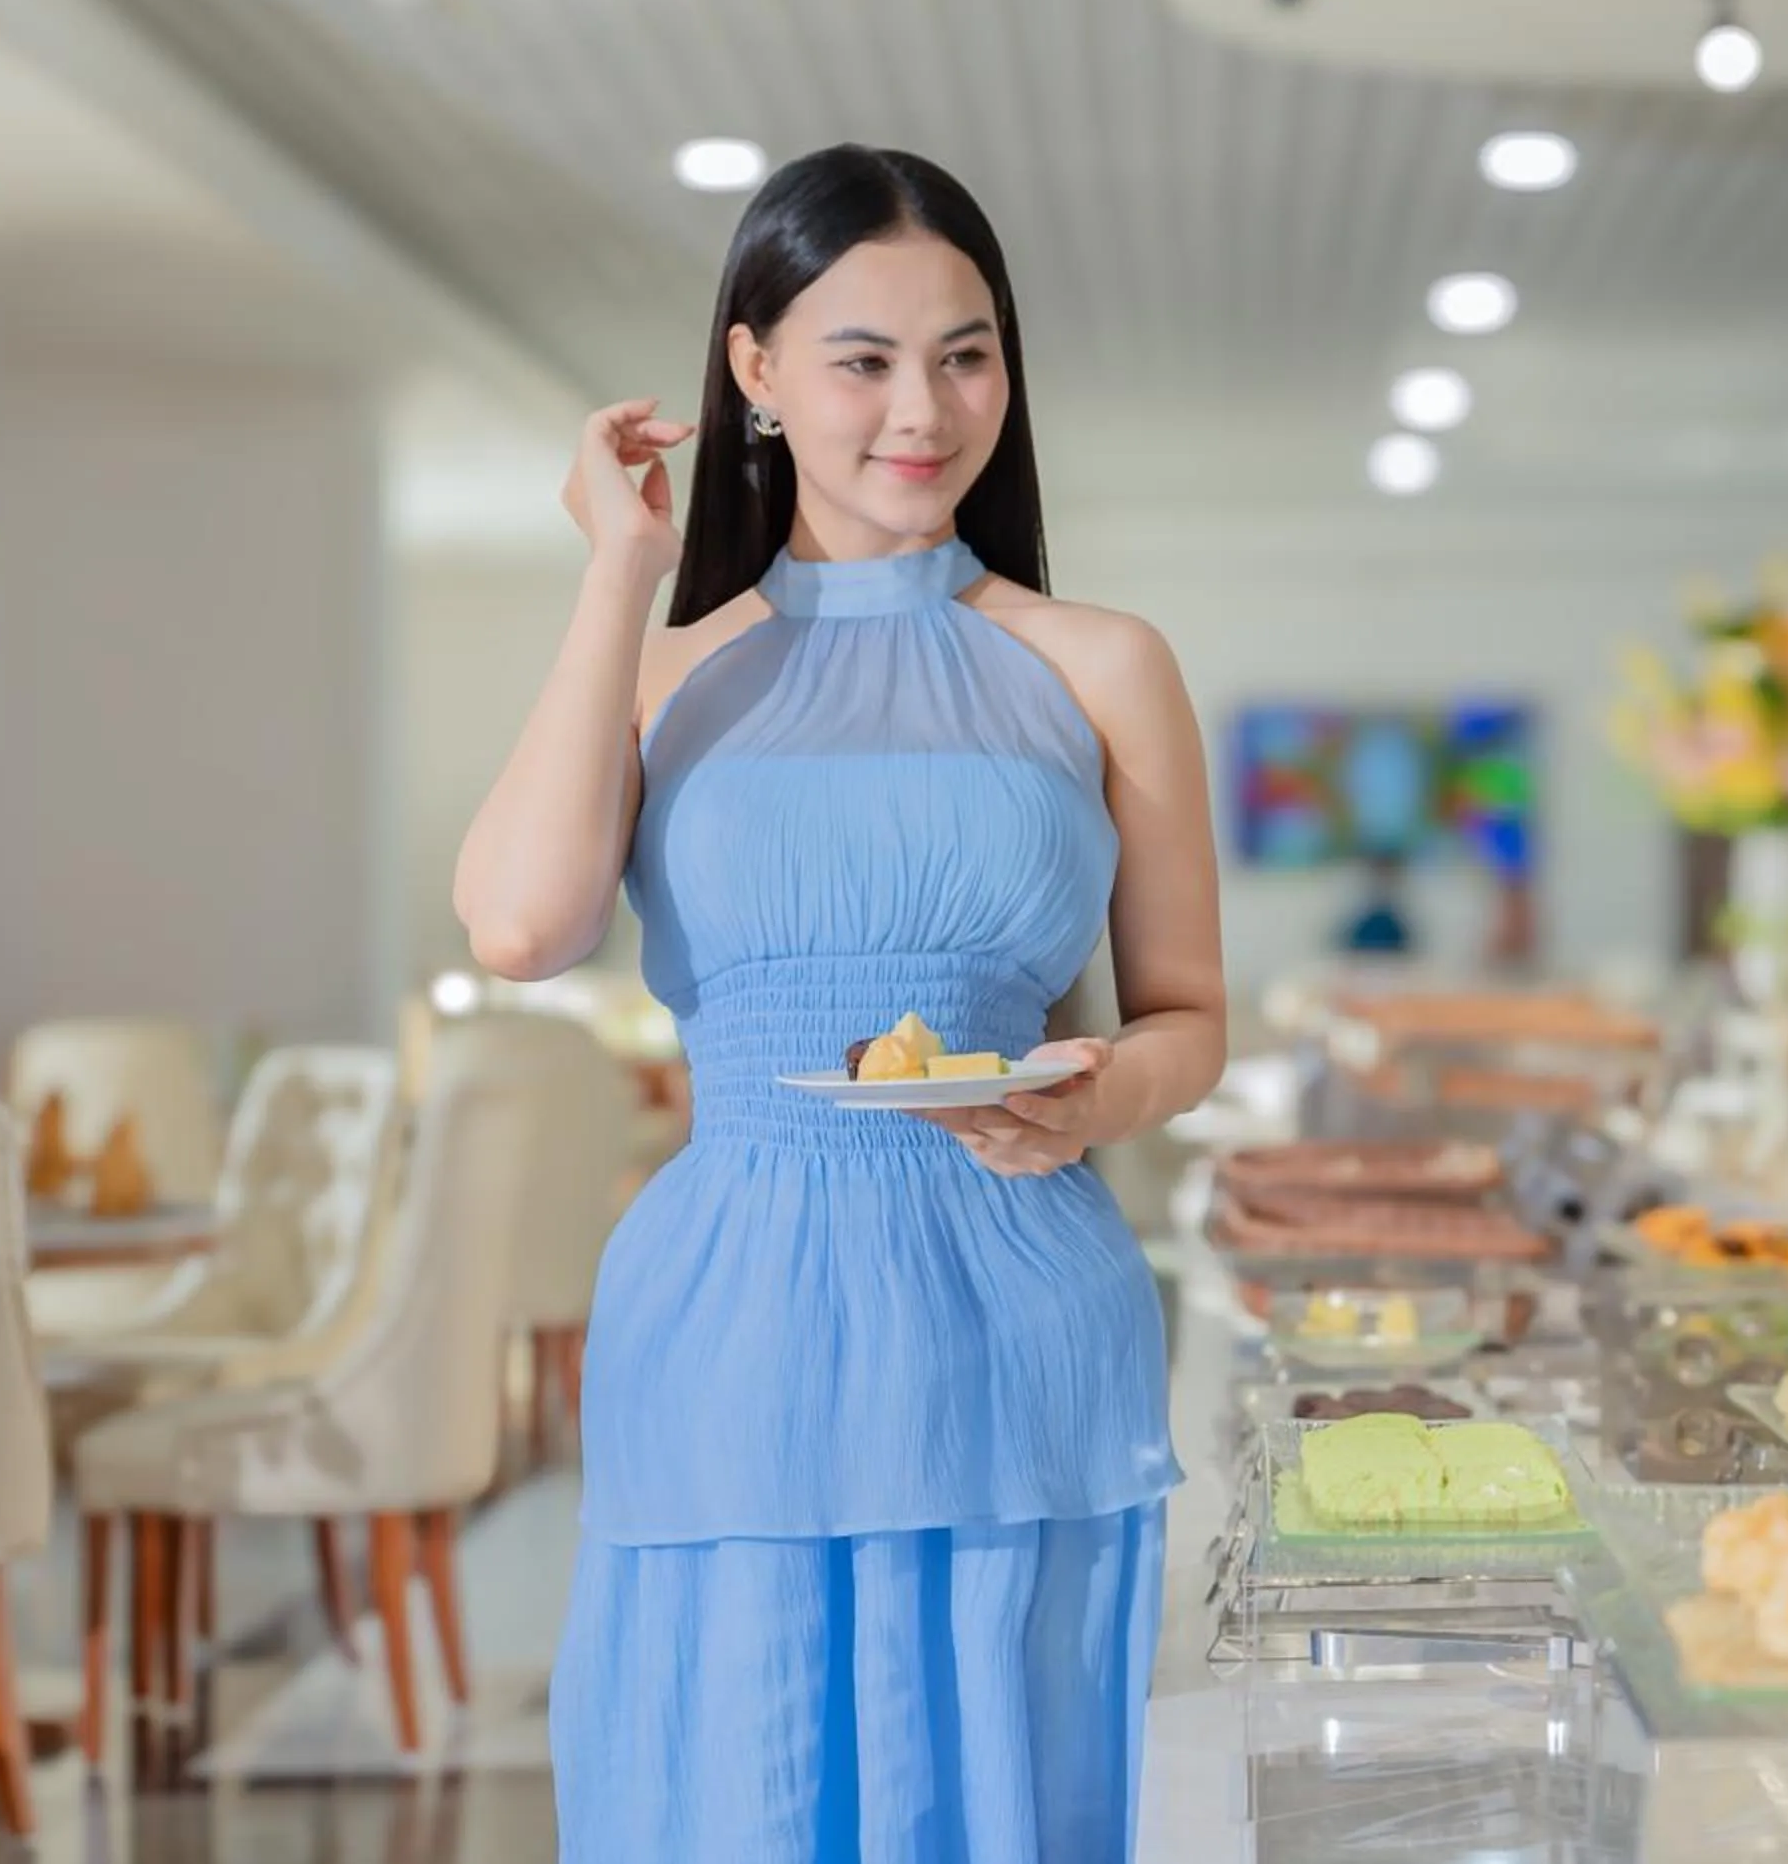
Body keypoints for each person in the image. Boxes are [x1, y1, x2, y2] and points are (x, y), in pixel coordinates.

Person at [453, 144, 1224, 1861]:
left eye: (966, 353)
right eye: (862, 358)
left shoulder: (1101, 661)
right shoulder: (665, 666)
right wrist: (612, 577)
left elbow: (1189, 1018)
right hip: (736, 1315)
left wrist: (1098, 1099)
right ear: (755, 370)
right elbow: (518, 926)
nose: (924, 409)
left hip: (1024, 1305)